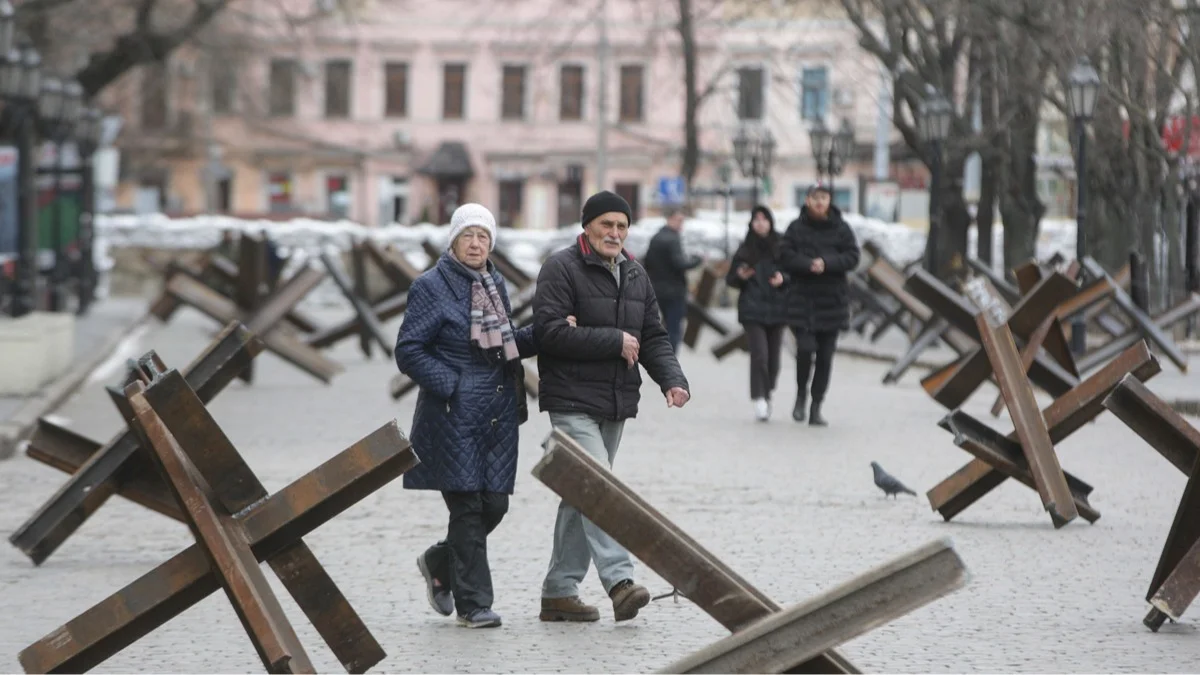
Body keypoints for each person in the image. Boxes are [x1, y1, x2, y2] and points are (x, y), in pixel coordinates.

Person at [532, 190, 692, 623]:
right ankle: (620, 582)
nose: (615, 233)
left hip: (615, 400)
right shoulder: (560, 268)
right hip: (570, 399)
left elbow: (653, 336)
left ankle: (559, 592)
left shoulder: (636, 274)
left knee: (581, 493)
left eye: (622, 226)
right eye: (607, 224)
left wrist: (672, 380)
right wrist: (612, 340)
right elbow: (547, 333)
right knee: (600, 488)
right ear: (587, 226)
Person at [394, 203, 538, 629]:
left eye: (484, 236)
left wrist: (547, 332)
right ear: (453, 241)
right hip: (452, 416)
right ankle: (474, 605)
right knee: (469, 509)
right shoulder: (430, 286)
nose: (477, 244)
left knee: (494, 505)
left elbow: (503, 344)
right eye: (468, 235)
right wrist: (451, 384)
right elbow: (408, 349)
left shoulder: (495, 284)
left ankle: (439, 559)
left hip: (496, 415)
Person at [779, 184, 861, 426]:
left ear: (829, 201)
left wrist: (827, 263)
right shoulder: (795, 228)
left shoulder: (841, 228)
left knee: (825, 357)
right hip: (802, 301)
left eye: (824, 198)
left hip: (832, 302)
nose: (819, 202)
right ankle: (801, 393)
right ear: (807, 200)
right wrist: (807, 264)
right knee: (804, 350)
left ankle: (816, 405)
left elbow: (852, 256)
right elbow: (784, 255)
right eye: (815, 198)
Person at [725, 205, 788, 422]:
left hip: (778, 308)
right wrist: (740, 275)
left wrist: (783, 278)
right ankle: (759, 397)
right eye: (756, 219)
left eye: (764, 219)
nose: (760, 223)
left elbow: (793, 273)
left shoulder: (781, 246)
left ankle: (767, 391)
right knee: (759, 355)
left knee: (774, 361)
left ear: (771, 222)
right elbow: (730, 279)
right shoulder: (745, 248)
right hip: (752, 309)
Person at [642, 206, 703, 352]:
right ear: (670, 219)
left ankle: (659, 357)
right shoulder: (673, 239)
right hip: (674, 291)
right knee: (674, 329)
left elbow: (647, 262)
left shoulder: (656, 237)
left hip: (656, 289)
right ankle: (670, 361)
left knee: (661, 326)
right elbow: (680, 263)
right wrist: (697, 260)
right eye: (679, 220)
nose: (681, 223)